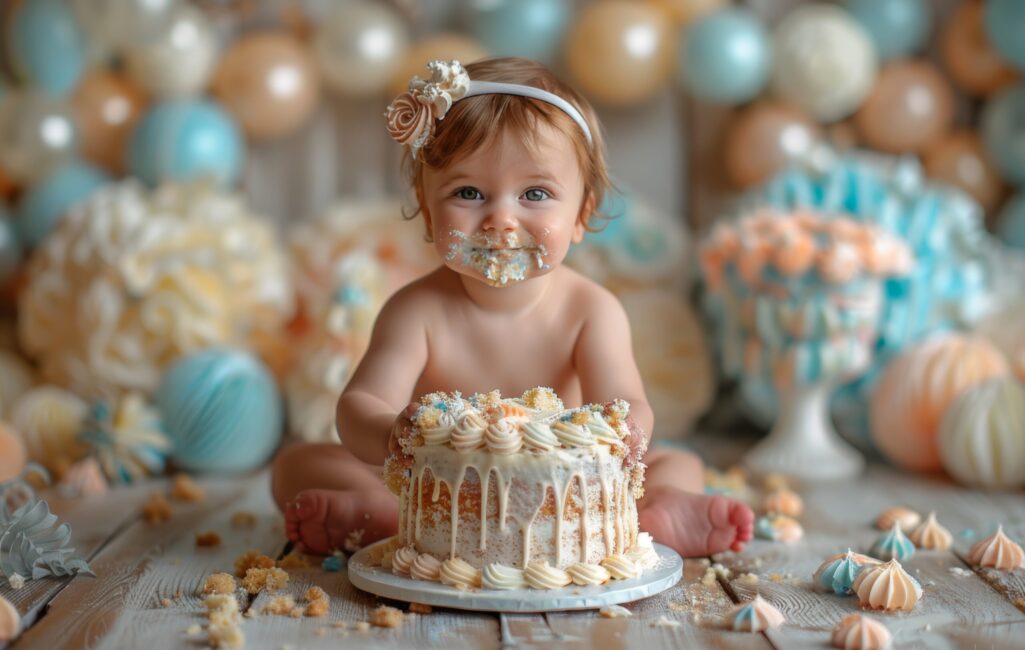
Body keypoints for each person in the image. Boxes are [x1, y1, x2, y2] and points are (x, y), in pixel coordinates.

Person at [272, 57, 753, 558]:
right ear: (427, 207)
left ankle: (660, 509)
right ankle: (381, 510)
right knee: (296, 465)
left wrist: (626, 433)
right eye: (469, 192)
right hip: (440, 488)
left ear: (580, 216)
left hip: (556, 490)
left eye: (535, 194)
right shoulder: (416, 310)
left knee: (677, 463)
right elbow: (360, 407)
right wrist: (396, 433)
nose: (501, 219)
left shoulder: (591, 309)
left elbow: (626, 403)